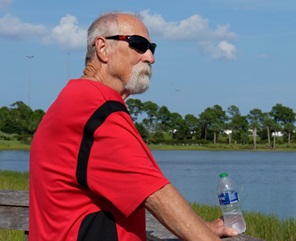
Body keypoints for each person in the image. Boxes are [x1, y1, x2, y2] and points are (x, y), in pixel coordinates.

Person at [29, 11, 238, 241]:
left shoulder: (73, 98)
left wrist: (202, 227)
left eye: (152, 48)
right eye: (138, 44)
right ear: (102, 48)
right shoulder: (96, 108)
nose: (150, 57)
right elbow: (156, 193)